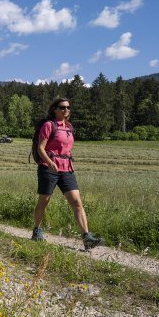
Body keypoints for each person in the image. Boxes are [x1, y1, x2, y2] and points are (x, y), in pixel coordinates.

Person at [32, 97, 103, 250]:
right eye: (62, 107)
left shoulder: (69, 127)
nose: (66, 110)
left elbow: (67, 148)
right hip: (48, 167)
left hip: (66, 169)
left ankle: (87, 237)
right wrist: (50, 163)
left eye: (68, 108)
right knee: (44, 201)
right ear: (54, 110)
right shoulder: (48, 125)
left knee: (77, 202)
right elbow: (40, 148)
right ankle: (37, 231)